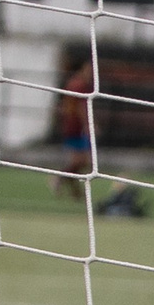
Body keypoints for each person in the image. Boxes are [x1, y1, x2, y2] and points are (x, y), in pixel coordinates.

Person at [53, 59, 96, 204]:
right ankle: (60, 177)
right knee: (82, 161)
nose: (91, 74)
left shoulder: (74, 83)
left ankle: (76, 193)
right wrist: (88, 124)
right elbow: (80, 107)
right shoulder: (79, 85)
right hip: (75, 128)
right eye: (89, 70)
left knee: (82, 162)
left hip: (71, 126)